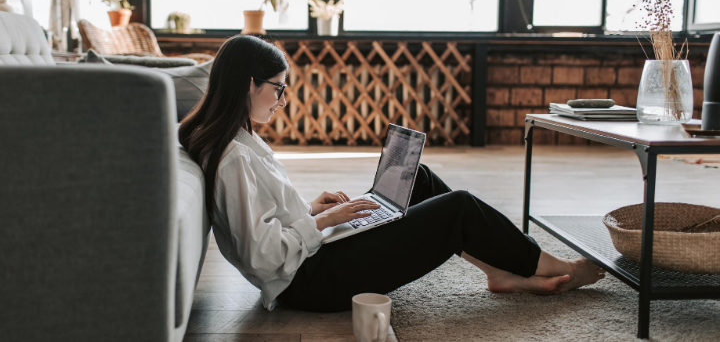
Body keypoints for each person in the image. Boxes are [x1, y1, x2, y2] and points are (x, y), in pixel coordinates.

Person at [178, 35, 605, 313]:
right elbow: (262, 256)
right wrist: (324, 222)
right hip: (307, 283)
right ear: (249, 84)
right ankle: (553, 266)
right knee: (459, 208)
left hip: (311, 258)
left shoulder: (238, 140)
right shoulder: (234, 156)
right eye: (279, 88)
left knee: (416, 178)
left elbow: (263, 222)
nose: (283, 100)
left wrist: (311, 208)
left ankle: (498, 271)